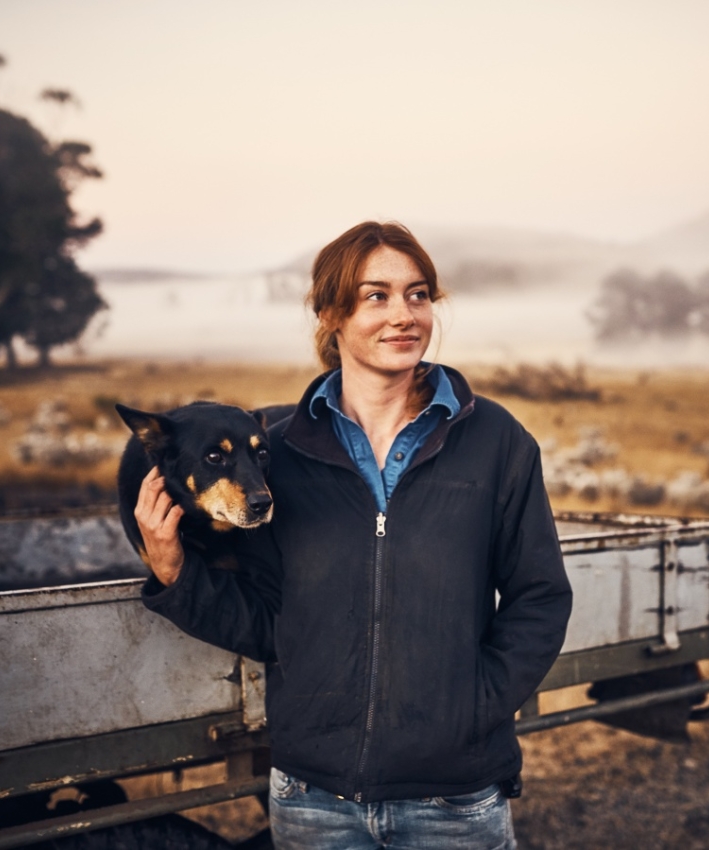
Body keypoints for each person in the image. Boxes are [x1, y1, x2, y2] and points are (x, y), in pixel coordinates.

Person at [135, 221, 572, 849]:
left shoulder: (495, 442)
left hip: (454, 798)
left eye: (418, 295)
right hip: (314, 803)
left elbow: (540, 597)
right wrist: (175, 572)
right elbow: (266, 625)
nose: (404, 315)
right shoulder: (278, 458)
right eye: (376, 296)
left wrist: (475, 709)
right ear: (330, 313)